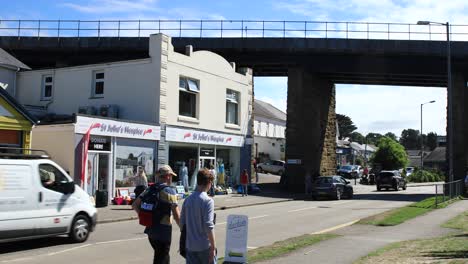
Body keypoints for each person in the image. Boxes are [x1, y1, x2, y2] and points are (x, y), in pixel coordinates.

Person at [133, 165, 181, 264]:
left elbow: (135, 205)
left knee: (159, 257)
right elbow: (176, 214)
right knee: (163, 258)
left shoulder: (150, 189)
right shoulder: (169, 191)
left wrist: (144, 216)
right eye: (171, 176)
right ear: (168, 176)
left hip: (151, 232)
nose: (172, 178)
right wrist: (184, 229)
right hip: (163, 232)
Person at [180, 169, 216, 264]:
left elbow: (182, 224)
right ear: (209, 182)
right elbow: (208, 225)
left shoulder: (187, 200)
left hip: (190, 245)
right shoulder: (208, 201)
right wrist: (213, 247)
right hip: (204, 245)